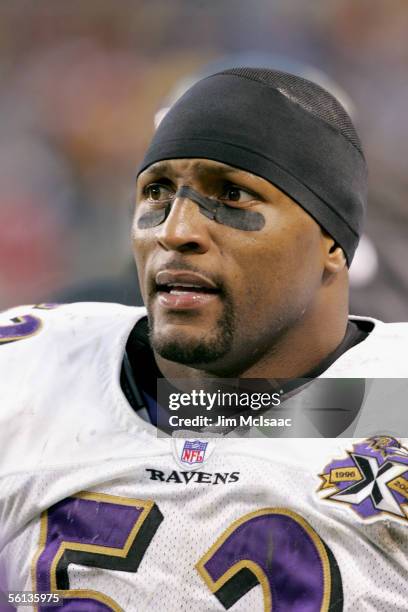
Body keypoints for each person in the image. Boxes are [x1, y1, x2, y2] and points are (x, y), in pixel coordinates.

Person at [1, 67, 408, 610]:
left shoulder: (390, 397)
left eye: (233, 194)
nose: (175, 230)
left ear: (332, 242)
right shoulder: (34, 370)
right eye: (157, 191)